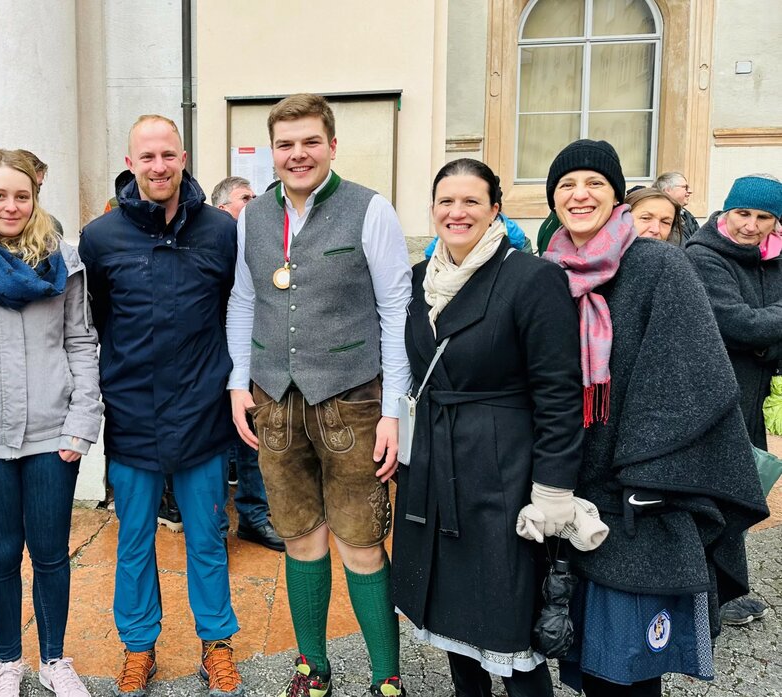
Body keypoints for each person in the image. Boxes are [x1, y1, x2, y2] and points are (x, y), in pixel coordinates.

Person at [540, 140, 768, 696]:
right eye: (567, 184)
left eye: (594, 182)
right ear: (552, 198)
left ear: (617, 194)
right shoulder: (546, 271)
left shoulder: (659, 263)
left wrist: (641, 473)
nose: (580, 194)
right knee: (585, 660)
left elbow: (695, 377)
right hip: (568, 489)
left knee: (632, 664)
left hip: (638, 494)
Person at [227, 93, 411, 697]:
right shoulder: (254, 218)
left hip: (351, 402)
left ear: (332, 145)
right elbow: (245, 302)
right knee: (300, 534)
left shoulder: (369, 209)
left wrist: (392, 411)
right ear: (273, 152)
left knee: (361, 539)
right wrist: (237, 382)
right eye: (285, 144)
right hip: (274, 400)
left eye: (310, 141)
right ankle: (314, 667)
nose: (297, 153)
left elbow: (395, 310)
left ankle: (385, 677)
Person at [392, 158, 583, 697]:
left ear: (495, 208)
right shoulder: (418, 279)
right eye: (446, 201)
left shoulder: (532, 277)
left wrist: (552, 490)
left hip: (503, 473)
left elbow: (559, 394)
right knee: (453, 622)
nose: (457, 212)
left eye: (472, 201)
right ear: (432, 210)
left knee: (508, 622)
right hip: (435, 465)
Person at [79, 114, 243, 697]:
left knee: (206, 536)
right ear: (130, 163)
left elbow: (236, 312)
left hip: (202, 410)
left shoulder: (222, 232)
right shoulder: (100, 239)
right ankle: (138, 647)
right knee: (134, 540)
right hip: (132, 413)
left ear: (183, 157)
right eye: (146, 157)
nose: (158, 166)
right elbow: (95, 319)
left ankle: (216, 644)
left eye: (168, 155)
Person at [0, 149, 102, 696]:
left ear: (35, 198)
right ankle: (8, 661)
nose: (10, 206)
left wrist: (82, 420)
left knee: (50, 552)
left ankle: (55, 659)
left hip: (51, 434)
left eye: (22, 195)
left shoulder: (62, 261)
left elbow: (80, 342)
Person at [685, 174, 782, 629]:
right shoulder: (703, 257)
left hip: (751, 397)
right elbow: (739, 325)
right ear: (726, 212)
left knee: (741, 493)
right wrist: (763, 336)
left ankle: (724, 593)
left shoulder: (774, 261)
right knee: (711, 498)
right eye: (743, 213)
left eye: (764, 217)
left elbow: (762, 336)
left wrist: (765, 341)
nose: (751, 225)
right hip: (713, 401)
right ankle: (707, 599)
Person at [210, 175, 283, 552]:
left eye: (256, 196)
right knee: (218, 447)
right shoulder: (213, 241)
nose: (255, 203)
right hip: (211, 359)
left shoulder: (265, 240)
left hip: (255, 358)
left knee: (253, 443)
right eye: (245, 198)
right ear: (222, 209)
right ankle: (217, 528)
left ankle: (254, 518)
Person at [654, 171, 699, 240]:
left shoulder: (685, 214)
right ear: (667, 190)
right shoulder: (657, 215)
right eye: (685, 187)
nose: (690, 191)